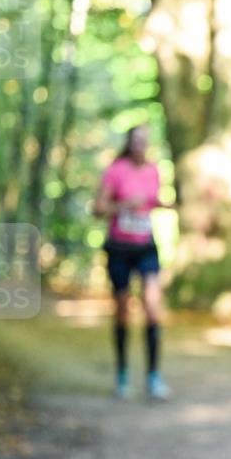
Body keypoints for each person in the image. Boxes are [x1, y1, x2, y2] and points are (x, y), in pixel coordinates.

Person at [94, 125, 173, 400]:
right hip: (119, 248)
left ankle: (153, 377)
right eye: (137, 140)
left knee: (152, 306)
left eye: (145, 141)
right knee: (123, 311)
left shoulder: (153, 171)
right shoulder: (115, 171)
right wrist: (123, 205)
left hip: (146, 246)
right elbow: (98, 209)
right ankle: (122, 374)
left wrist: (166, 205)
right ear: (129, 143)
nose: (141, 145)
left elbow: (151, 203)